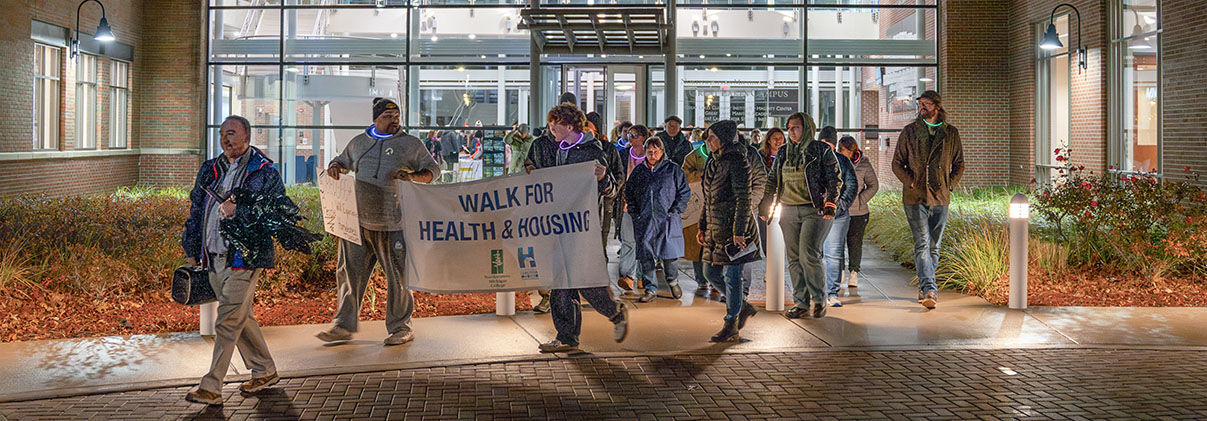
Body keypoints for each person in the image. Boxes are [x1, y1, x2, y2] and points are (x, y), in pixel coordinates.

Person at [316, 98, 441, 346]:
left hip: (394, 224)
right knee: (349, 276)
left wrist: (413, 177)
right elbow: (342, 161)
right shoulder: (359, 143)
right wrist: (335, 166)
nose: (394, 121)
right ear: (375, 119)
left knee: (398, 278)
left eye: (397, 116)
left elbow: (434, 171)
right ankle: (343, 325)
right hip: (357, 224)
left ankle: (401, 327)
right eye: (388, 116)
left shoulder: (410, 145)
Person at [182, 115, 286, 405]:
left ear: (247, 137)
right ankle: (265, 370)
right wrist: (191, 246)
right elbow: (195, 209)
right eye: (222, 134)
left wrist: (238, 211)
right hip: (213, 255)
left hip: (245, 257)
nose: (226, 139)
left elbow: (275, 213)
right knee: (241, 317)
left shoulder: (263, 171)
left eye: (231, 133)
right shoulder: (210, 169)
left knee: (227, 320)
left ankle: (212, 386)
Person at [524, 102, 628, 353]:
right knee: (561, 282)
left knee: (582, 279)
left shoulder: (592, 152)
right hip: (555, 224)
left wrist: (604, 178)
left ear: (570, 126)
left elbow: (612, 190)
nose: (551, 130)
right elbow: (532, 169)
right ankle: (567, 336)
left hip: (581, 228)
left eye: (555, 125)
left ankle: (613, 312)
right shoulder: (547, 146)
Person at [760, 112, 841, 320]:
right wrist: (766, 202)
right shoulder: (784, 152)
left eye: (796, 127)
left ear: (807, 128)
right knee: (794, 259)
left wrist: (831, 203)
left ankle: (819, 298)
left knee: (808, 255)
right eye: (789, 127)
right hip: (788, 209)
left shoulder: (821, 150)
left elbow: (834, 179)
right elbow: (773, 179)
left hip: (814, 210)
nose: (791, 131)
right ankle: (801, 303)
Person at [892, 90, 964, 309]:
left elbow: (959, 163)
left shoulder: (950, 133)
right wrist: (911, 182)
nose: (922, 107)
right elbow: (896, 163)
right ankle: (930, 288)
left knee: (934, 247)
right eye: (920, 104)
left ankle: (925, 288)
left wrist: (950, 183)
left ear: (937, 106)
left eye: (927, 104)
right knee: (922, 242)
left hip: (941, 196)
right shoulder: (910, 132)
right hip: (915, 197)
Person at [698, 120, 761, 342]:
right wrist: (702, 225)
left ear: (724, 138)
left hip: (734, 228)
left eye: (712, 137)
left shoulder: (737, 159)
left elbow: (744, 198)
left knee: (733, 276)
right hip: (716, 227)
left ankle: (731, 322)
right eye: (708, 137)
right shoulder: (713, 161)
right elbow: (707, 198)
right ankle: (742, 307)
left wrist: (740, 231)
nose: (708, 141)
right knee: (710, 273)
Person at [625, 137, 691, 303]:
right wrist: (635, 213)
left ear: (662, 152)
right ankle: (650, 289)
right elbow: (629, 192)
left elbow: (684, 192)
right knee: (646, 257)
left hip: (668, 220)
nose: (652, 155)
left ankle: (673, 282)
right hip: (645, 220)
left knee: (670, 256)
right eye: (649, 152)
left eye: (655, 151)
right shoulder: (639, 172)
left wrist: (675, 210)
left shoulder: (673, 170)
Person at [818, 127, 859, 308]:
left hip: (838, 215)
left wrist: (839, 206)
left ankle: (831, 292)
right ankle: (819, 291)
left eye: (828, 143)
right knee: (816, 254)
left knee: (833, 254)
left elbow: (852, 186)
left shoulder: (843, 161)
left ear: (834, 144)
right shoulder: (813, 159)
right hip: (817, 213)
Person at [839, 135, 879, 289]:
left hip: (858, 213)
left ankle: (853, 273)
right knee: (838, 243)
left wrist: (861, 200)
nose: (839, 152)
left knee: (855, 244)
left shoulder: (864, 165)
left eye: (842, 149)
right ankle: (840, 272)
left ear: (851, 150)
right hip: (840, 210)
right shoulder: (837, 162)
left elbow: (873, 185)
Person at [616, 125, 652, 291]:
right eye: (629, 134)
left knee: (644, 242)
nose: (631, 138)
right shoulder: (623, 155)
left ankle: (641, 276)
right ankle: (627, 275)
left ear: (644, 137)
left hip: (647, 207)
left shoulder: (652, 156)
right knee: (628, 241)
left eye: (635, 135)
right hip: (626, 206)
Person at [680, 129, 713, 298]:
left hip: (714, 206)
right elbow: (684, 174)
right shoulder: (693, 156)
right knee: (697, 246)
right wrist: (702, 175)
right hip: (696, 206)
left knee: (713, 245)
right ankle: (701, 279)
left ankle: (714, 280)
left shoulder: (722, 155)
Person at [588, 111, 625, 249]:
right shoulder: (576, 148)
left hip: (605, 204)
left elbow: (619, 176)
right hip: (585, 205)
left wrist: (609, 189)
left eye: (588, 128)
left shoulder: (609, 149)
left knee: (601, 242)